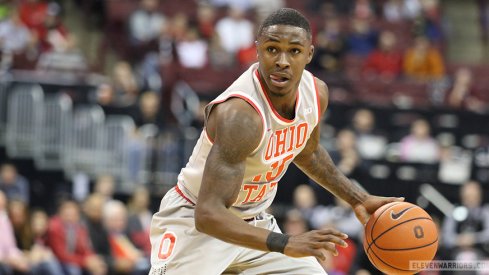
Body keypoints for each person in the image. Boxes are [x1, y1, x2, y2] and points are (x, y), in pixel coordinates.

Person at [149, 8, 403, 274]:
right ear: (257, 51)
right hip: (197, 222)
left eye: (294, 51)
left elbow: (308, 152)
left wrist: (357, 199)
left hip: (254, 223)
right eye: (272, 49)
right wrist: (286, 243)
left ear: (309, 54)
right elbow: (208, 214)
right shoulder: (241, 115)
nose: (282, 61)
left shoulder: (316, 93)